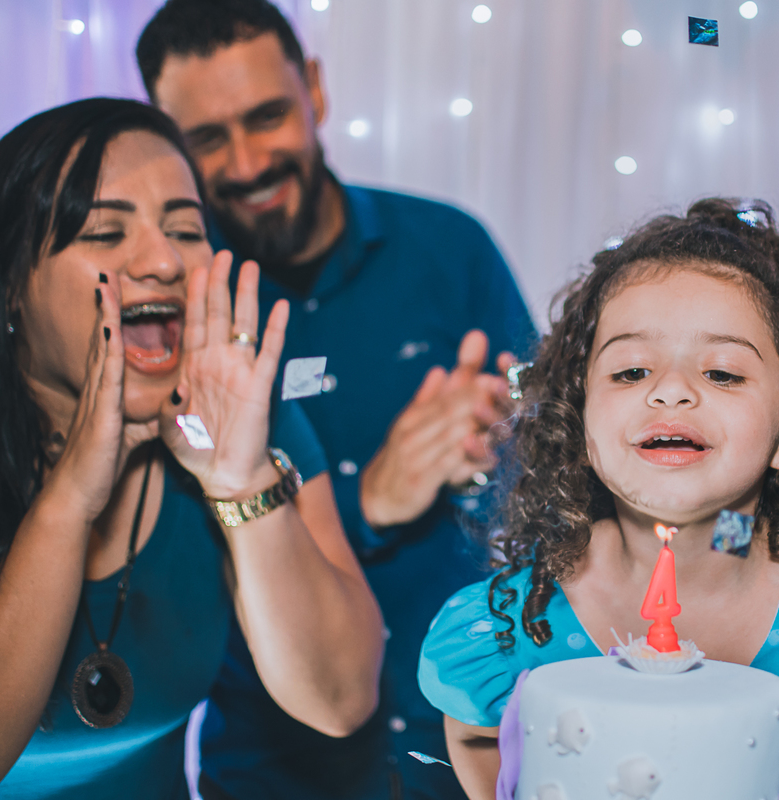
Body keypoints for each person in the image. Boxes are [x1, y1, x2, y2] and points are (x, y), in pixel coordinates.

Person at [419, 198, 779, 800]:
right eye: (630, 372)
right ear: (581, 427)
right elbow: (476, 738)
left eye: (722, 373)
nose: (671, 390)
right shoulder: (513, 624)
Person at [135, 2, 536, 797]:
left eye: (267, 116)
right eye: (207, 138)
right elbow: (165, 560)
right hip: (271, 764)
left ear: (314, 91)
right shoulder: (172, 308)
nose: (247, 161)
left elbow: (554, 479)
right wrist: (368, 502)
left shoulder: (450, 249)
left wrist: (503, 441)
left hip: (471, 745)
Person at [0, 98, 383, 798]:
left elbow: (340, 697)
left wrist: (241, 481)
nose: (165, 261)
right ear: (11, 287)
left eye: (186, 229)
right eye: (106, 232)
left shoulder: (244, 420)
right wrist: (71, 502)